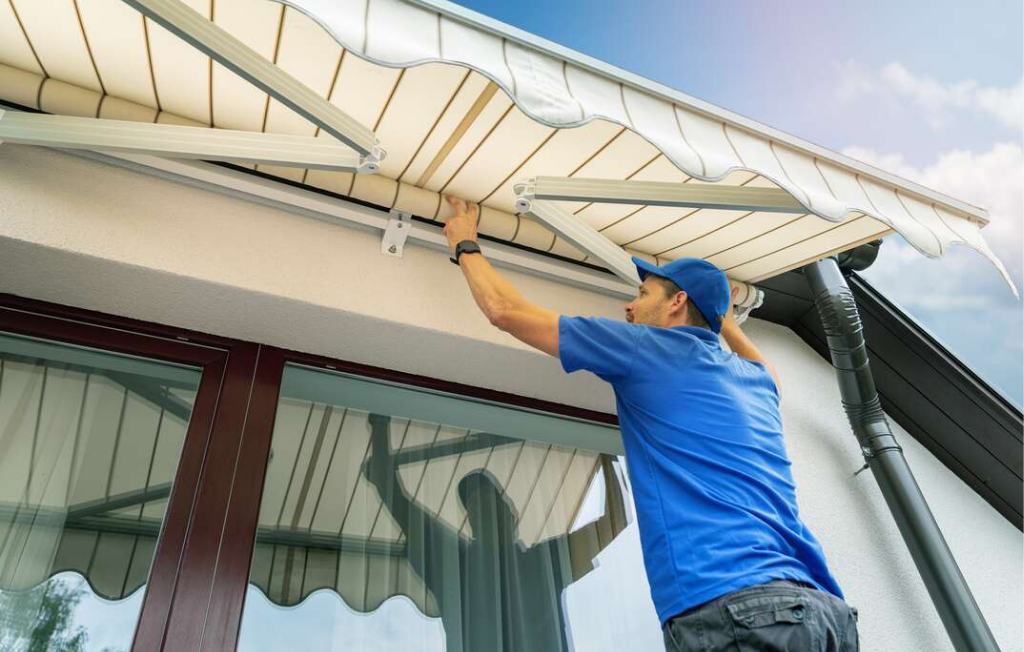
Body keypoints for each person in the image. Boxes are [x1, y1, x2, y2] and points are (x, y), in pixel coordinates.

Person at [441, 195, 859, 652]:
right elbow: (767, 369)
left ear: (678, 302)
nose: (629, 307)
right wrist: (726, 321)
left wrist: (465, 245)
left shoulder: (646, 349)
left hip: (737, 606)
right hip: (826, 615)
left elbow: (506, 312)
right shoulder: (757, 384)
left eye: (642, 294)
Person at [363, 413, 574, 652]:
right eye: (476, 509)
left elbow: (608, 526)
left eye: (490, 505)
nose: (485, 514)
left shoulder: (540, 562)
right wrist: (380, 420)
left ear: (510, 514)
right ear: (471, 523)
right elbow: (389, 489)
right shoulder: (454, 567)